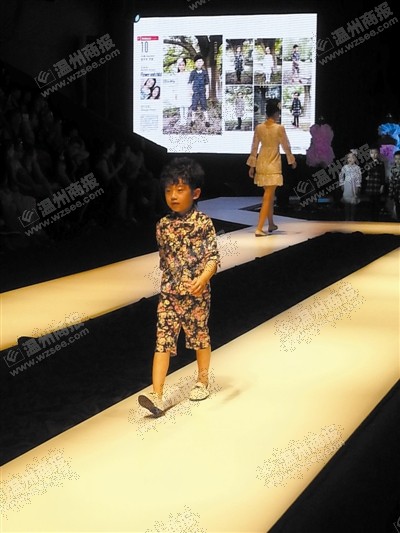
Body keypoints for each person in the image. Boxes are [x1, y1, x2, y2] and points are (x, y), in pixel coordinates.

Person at [138, 157, 220, 416]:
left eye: (180, 189)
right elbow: (165, 260)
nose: (173, 196)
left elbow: (213, 257)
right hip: (169, 294)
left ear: (195, 193)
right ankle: (157, 395)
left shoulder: (203, 223)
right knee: (162, 341)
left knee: (199, 337)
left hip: (196, 293)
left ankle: (202, 381)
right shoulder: (162, 225)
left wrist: (203, 278)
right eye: (168, 190)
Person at [246, 99, 296, 236]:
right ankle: (259, 228)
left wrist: (252, 166)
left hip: (262, 162)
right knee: (268, 196)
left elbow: (254, 147)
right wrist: (291, 160)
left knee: (269, 195)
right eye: (278, 113)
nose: (278, 115)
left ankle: (271, 224)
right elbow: (286, 146)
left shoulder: (259, 128)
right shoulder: (279, 128)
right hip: (273, 163)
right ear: (275, 113)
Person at [188, 54, 210, 128]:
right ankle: (192, 120)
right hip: (195, 93)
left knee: (204, 106)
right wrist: (190, 91)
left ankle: (207, 121)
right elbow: (190, 82)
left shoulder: (205, 72)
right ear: (195, 63)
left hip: (202, 93)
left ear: (203, 62)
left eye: (200, 61)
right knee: (194, 106)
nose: (199, 63)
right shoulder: (193, 72)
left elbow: (207, 83)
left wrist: (207, 92)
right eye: (197, 61)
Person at [364, 146, 386, 220]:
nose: (374, 154)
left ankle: (376, 218)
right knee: (371, 202)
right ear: (370, 154)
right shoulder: (368, 163)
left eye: (375, 153)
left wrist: (382, 185)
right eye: (372, 153)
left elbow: (383, 175)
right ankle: (371, 218)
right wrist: (366, 177)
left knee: (377, 202)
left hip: (377, 184)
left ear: (378, 153)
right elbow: (365, 172)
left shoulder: (381, 163)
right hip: (370, 184)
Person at [339, 151, 362, 221]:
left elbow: (359, 177)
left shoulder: (357, 168)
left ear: (355, 159)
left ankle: (352, 218)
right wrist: (342, 184)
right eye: (349, 157)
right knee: (346, 203)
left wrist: (358, 186)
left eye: (352, 157)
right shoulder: (345, 167)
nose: (350, 159)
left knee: (353, 203)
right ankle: (347, 218)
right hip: (347, 186)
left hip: (354, 187)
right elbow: (341, 176)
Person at [175, 58, 192, 126]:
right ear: (178, 66)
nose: (181, 66)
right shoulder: (177, 75)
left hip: (186, 91)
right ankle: (182, 120)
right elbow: (176, 85)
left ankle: (185, 121)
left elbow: (190, 83)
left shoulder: (188, 74)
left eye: (183, 65)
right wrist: (176, 93)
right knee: (181, 106)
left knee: (186, 106)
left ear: (185, 66)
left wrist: (190, 91)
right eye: (180, 65)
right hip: (180, 92)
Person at [388, 150, 400, 220]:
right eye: (396, 159)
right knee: (397, 204)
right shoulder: (393, 169)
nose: (397, 161)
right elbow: (391, 181)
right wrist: (391, 192)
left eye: (399, 159)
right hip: (395, 190)